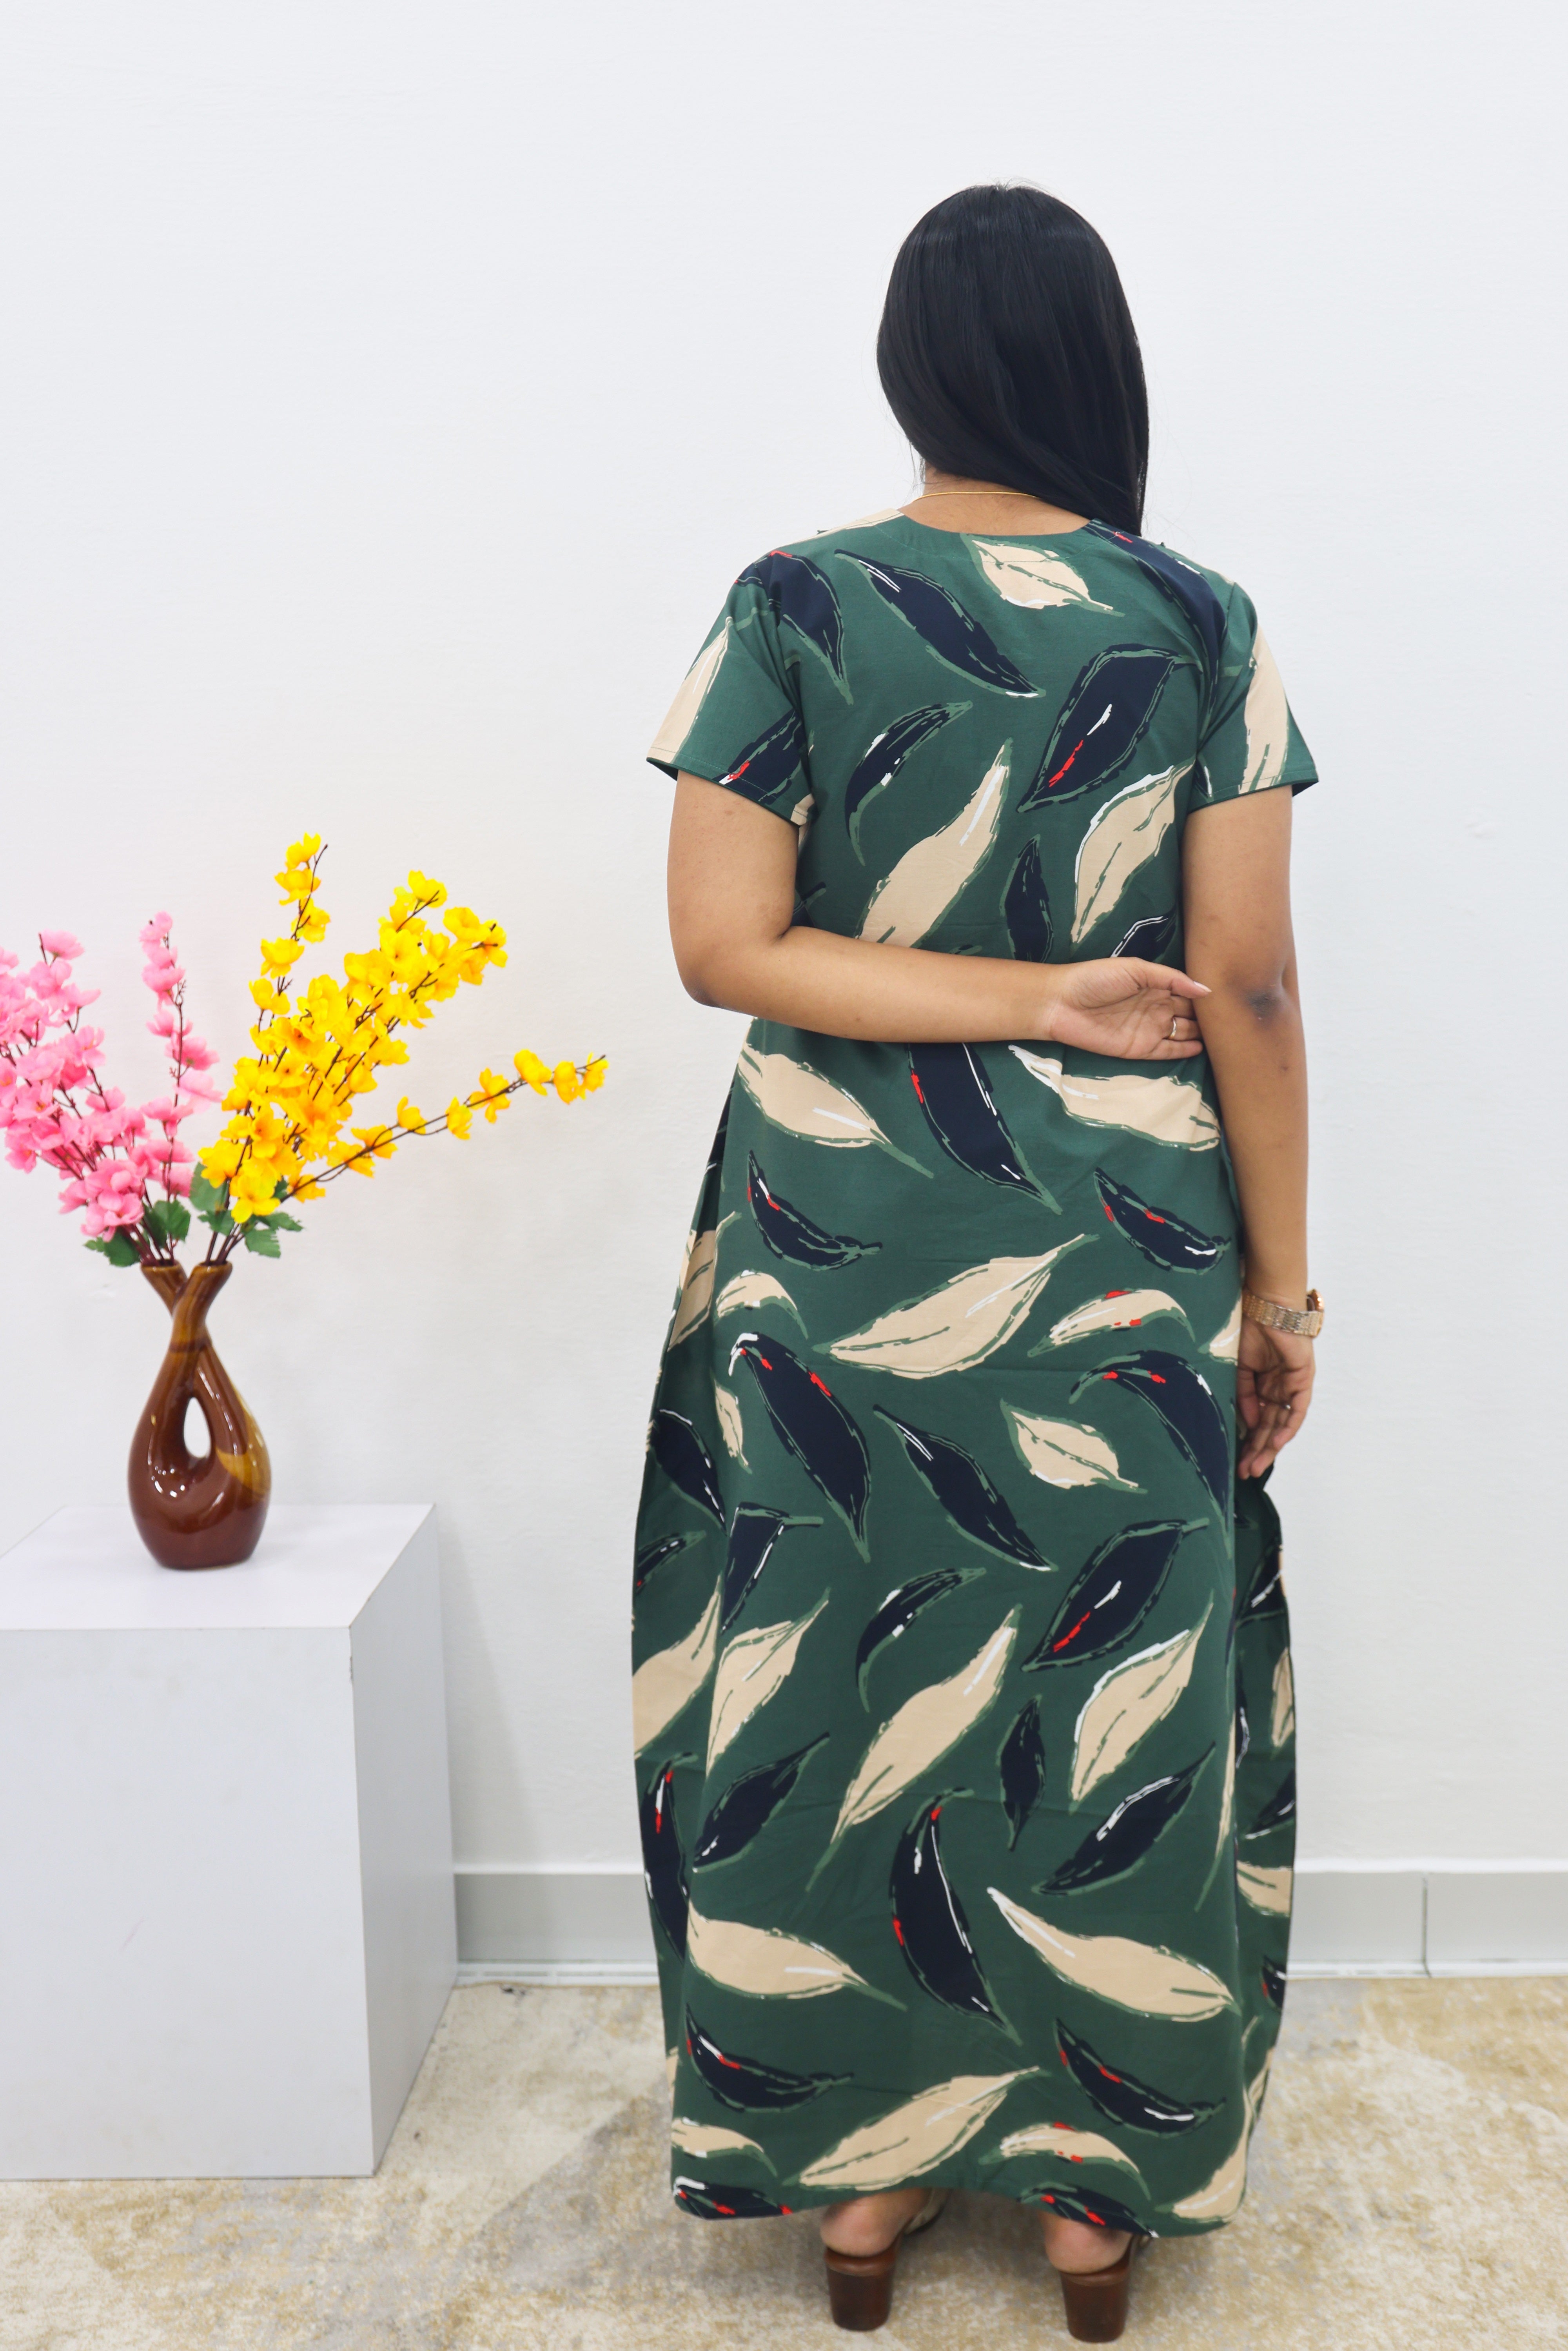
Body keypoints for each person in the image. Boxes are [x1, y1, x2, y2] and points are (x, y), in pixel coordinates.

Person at [632, 182, 1318, 2342]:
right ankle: (1097, 2206)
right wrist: (1282, 1292)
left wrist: (994, 996)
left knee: (837, 1681)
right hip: (1119, 1254)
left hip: (834, 1250)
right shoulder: (1198, 625)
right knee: (1107, 1706)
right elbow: (1249, 985)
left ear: (910, 366)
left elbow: (724, 947)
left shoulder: (792, 606)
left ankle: (860, 2188)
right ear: (1098, 362)